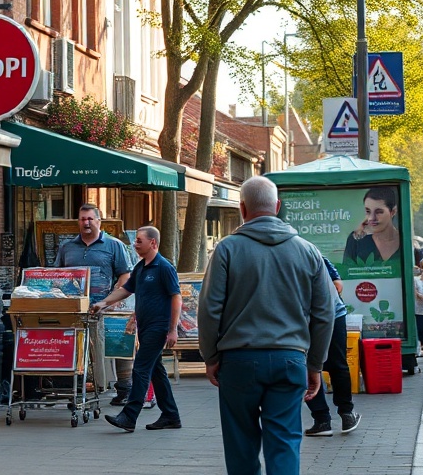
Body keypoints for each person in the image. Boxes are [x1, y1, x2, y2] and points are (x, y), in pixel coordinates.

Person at [198, 176, 334, 475]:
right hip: (290, 359)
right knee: (284, 441)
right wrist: (315, 365)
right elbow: (325, 313)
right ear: (277, 206)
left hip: (238, 360)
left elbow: (209, 309)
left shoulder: (226, 250)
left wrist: (210, 357)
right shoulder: (308, 251)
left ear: (242, 208)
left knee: (240, 444)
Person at [92, 226, 181, 432]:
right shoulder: (141, 268)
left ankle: (129, 416)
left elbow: (176, 297)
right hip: (145, 325)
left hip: (158, 327)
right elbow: (126, 290)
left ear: (153, 243)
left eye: (139, 241)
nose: (135, 244)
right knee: (156, 371)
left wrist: (173, 329)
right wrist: (103, 303)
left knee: (140, 368)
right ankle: (170, 415)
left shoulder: (164, 267)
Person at [54, 203, 133, 402]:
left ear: (99, 221)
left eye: (90, 219)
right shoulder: (67, 247)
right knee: (80, 348)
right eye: (83, 219)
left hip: (106, 306)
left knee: (116, 345)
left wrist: (114, 300)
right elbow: (57, 275)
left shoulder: (115, 245)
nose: (86, 223)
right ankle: (83, 385)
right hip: (75, 309)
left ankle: (124, 389)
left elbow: (125, 275)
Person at [304, 257, 361, 437]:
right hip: (319, 315)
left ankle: (333, 417)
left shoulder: (315, 257)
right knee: (321, 366)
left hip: (322, 316)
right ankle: (333, 417)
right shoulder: (311, 254)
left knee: (322, 364)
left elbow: (337, 284)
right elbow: (337, 285)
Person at [344, 186, 400, 264]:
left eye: (379, 212)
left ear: (393, 212)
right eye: (368, 211)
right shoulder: (356, 241)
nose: (371, 218)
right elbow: (346, 272)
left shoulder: (405, 241)